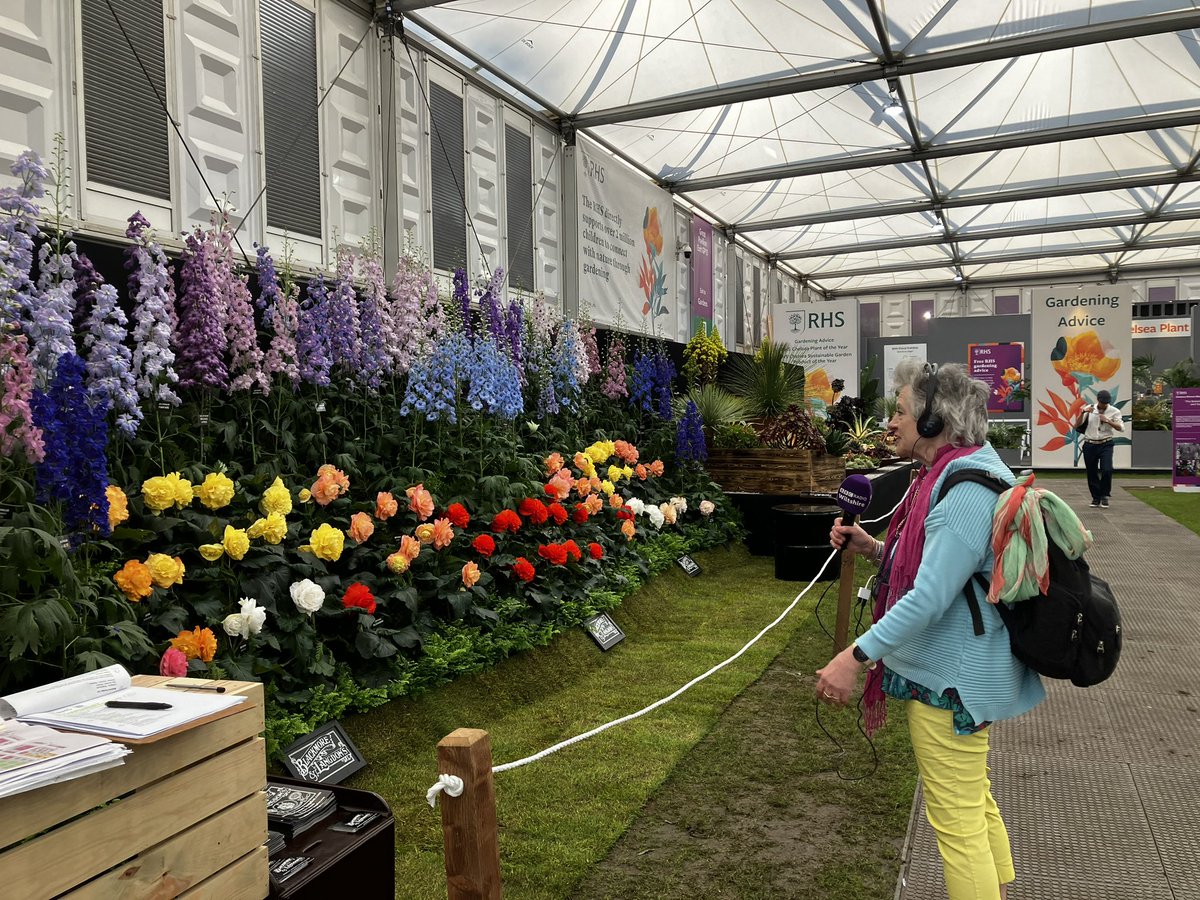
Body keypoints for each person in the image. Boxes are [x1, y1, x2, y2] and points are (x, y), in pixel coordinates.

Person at [816, 360, 1044, 900]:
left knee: (958, 824)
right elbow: (939, 570)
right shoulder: (956, 474)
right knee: (972, 801)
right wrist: (872, 548)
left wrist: (855, 656)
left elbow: (929, 596)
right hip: (963, 675)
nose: (889, 422)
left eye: (898, 411)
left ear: (934, 421)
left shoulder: (965, 487)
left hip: (954, 682)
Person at [1076, 389, 1124, 508]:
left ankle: (1104, 495)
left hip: (1106, 443)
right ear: (1098, 400)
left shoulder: (1114, 411)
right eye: (1102, 403)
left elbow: (1121, 428)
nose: (1103, 405)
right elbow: (1076, 425)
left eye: (1106, 403)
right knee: (1091, 472)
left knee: (1107, 469)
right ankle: (1095, 498)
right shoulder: (1089, 408)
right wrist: (1083, 412)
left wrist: (1108, 421)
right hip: (1090, 443)